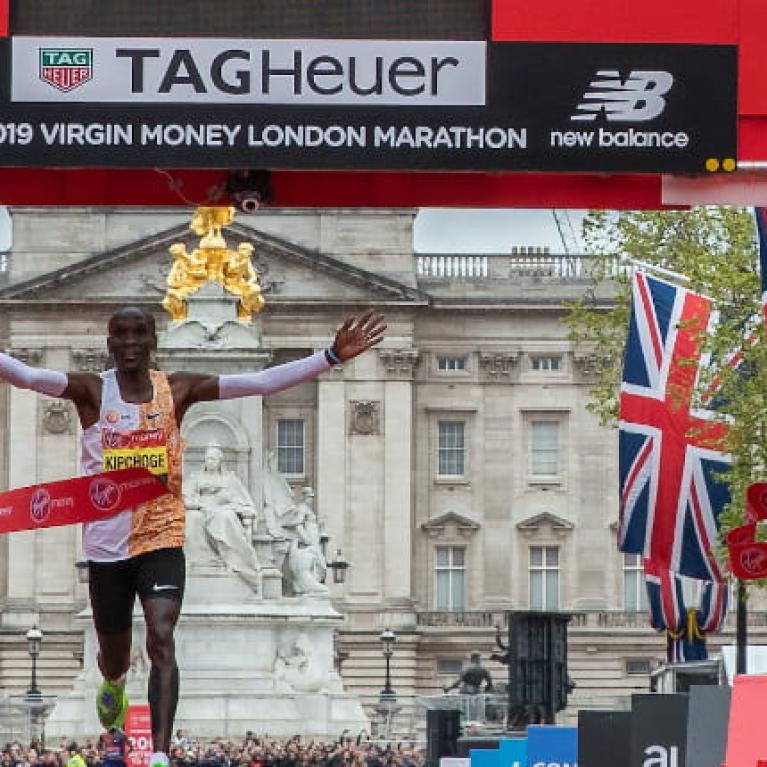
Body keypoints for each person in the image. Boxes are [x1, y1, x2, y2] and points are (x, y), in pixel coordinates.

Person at [0, 306, 385, 767]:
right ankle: (115, 684)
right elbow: (24, 375)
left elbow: (257, 384)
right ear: (108, 343)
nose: (128, 343)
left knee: (162, 636)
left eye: (138, 333)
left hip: (162, 537)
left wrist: (329, 357)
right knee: (115, 657)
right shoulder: (92, 391)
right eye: (119, 334)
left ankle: (160, 755)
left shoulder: (177, 389)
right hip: (107, 547)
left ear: (152, 341)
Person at [183, 443, 262, 588]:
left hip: (223, 508)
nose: (210, 462)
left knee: (225, 517)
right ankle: (204, 560)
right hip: (201, 508)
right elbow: (186, 496)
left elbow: (241, 499)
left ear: (220, 461)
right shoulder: (196, 477)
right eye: (208, 459)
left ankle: (234, 558)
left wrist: (230, 503)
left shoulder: (229, 478)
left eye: (213, 459)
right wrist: (198, 504)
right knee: (192, 518)